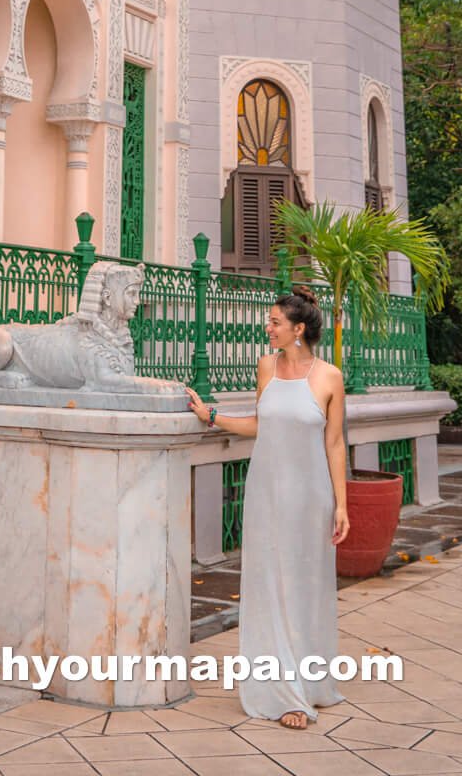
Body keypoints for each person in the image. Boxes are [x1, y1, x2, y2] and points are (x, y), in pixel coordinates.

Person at [186, 286, 348, 729]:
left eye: (275, 322)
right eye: (269, 321)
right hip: (267, 493)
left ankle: (309, 682)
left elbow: (334, 443)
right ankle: (284, 693)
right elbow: (260, 424)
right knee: (270, 585)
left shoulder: (330, 377)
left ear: (298, 330)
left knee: (304, 585)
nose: (267, 328)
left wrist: (342, 505)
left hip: (311, 497)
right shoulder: (266, 368)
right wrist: (211, 416)